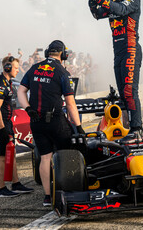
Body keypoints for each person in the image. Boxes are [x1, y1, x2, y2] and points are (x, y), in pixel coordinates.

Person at [17, 40, 84, 207]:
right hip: (56, 121)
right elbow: (70, 103)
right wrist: (79, 127)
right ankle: (66, 191)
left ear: (48, 52)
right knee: (66, 154)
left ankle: (48, 196)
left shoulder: (34, 68)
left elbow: (21, 91)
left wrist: (28, 109)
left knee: (45, 157)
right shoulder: (62, 72)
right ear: (63, 55)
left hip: (36, 120)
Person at [87, 0, 143, 139]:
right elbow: (98, 14)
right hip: (118, 51)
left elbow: (119, 10)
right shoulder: (115, 1)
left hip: (130, 48)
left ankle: (137, 129)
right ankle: (128, 127)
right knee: (122, 93)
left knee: (129, 90)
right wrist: (91, 2)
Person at [0, 56, 33, 198]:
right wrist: (2, 130)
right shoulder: (0, 84)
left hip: (6, 122)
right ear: (7, 68)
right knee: (0, 156)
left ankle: (16, 183)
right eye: (16, 68)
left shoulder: (8, 82)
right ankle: (1, 188)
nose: (18, 70)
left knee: (11, 153)